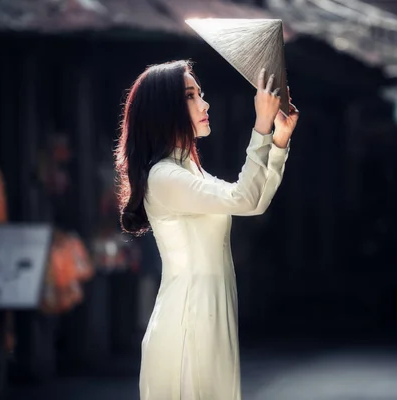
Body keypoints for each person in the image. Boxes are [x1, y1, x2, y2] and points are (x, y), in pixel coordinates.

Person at [114, 60, 299, 400]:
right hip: (188, 323)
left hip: (210, 316)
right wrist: (261, 127)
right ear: (164, 109)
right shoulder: (165, 177)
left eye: (201, 94)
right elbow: (244, 198)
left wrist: (279, 141)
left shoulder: (190, 172)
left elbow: (252, 202)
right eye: (190, 96)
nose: (204, 104)